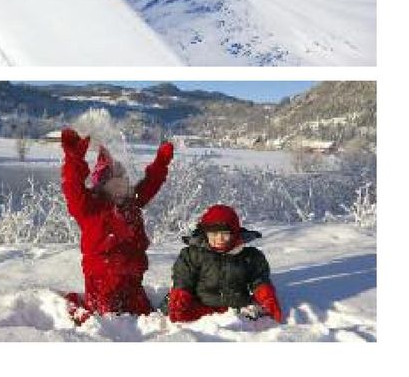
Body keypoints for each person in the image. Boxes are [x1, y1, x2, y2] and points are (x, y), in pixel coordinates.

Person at [60, 128, 174, 319]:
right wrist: (73, 158)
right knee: (107, 319)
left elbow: (151, 183)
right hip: (102, 282)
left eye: (123, 179)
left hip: (132, 281)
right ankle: (83, 313)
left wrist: (161, 162)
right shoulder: (89, 208)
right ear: (102, 185)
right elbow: (72, 187)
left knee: (146, 316)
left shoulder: (132, 204)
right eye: (115, 180)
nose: (122, 183)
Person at [166, 204, 283, 323]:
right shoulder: (193, 254)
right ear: (205, 233)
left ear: (234, 233)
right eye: (213, 234)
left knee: (260, 314)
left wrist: (267, 297)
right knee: (178, 312)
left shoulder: (249, 256)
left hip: (237, 308)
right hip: (201, 306)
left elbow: (259, 280)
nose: (219, 239)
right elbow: (183, 279)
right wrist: (180, 298)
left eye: (225, 234)